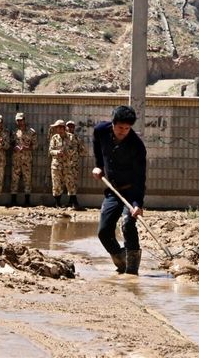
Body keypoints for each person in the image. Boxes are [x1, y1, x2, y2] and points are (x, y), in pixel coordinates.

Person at [92, 106, 146, 275]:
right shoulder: (101, 130)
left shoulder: (137, 146)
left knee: (128, 224)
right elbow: (96, 144)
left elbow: (140, 178)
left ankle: (132, 270)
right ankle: (121, 259)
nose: (123, 132)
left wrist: (137, 204)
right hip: (112, 190)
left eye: (127, 128)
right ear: (113, 124)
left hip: (131, 192)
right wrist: (98, 166)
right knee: (103, 232)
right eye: (120, 127)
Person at [10, 112, 37, 207]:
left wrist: (27, 148)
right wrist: (14, 147)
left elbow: (35, 145)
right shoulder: (14, 132)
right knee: (14, 179)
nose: (20, 122)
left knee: (27, 179)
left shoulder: (31, 132)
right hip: (16, 160)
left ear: (24, 120)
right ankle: (13, 201)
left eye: (21, 120)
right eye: (18, 120)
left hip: (27, 160)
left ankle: (27, 201)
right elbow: (10, 144)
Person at [49, 119, 74, 208]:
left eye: (58, 128)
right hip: (56, 165)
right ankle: (57, 203)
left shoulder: (71, 137)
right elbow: (50, 150)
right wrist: (57, 152)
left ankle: (73, 202)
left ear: (63, 128)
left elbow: (74, 149)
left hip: (67, 164)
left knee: (70, 183)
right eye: (56, 128)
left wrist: (66, 152)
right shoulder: (54, 138)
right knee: (56, 184)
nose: (57, 130)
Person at [65, 120, 87, 210]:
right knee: (66, 182)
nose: (70, 128)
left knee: (72, 182)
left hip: (73, 164)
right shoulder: (62, 137)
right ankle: (71, 201)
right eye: (68, 126)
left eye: (72, 126)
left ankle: (73, 201)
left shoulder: (77, 138)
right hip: (63, 164)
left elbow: (83, 151)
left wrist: (75, 153)